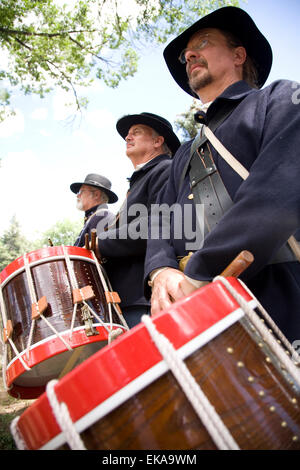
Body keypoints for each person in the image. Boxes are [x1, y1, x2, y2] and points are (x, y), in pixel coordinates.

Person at [145, 6, 300, 343]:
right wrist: (161, 270)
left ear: (238, 55)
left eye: (203, 43)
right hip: (198, 317)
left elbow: (275, 193)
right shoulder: (183, 154)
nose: (189, 54)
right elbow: (159, 218)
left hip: (281, 297)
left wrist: (199, 275)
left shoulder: (281, 99)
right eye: (187, 54)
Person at [95, 113, 180, 328]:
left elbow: (157, 225)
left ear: (157, 141)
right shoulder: (141, 179)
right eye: (127, 134)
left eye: (136, 132)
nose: (127, 137)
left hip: (142, 298)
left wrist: (101, 243)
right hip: (124, 298)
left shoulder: (165, 169)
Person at [70, 173, 118, 247]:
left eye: (81, 191)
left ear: (96, 195)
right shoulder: (95, 216)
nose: (77, 195)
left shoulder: (103, 217)